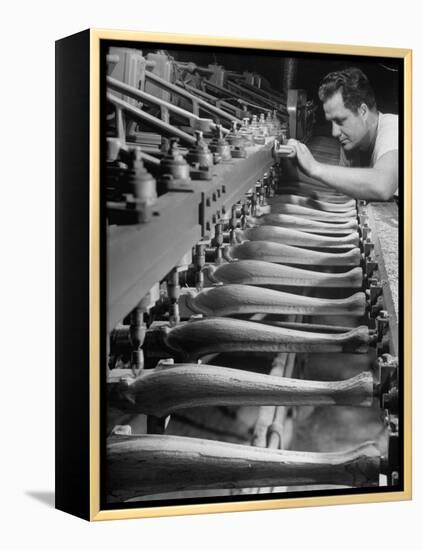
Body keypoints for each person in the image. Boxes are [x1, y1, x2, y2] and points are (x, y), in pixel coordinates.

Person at [283, 67, 398, 201]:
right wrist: (294, 173)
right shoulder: (354, 143)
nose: (334, 132)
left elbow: (382, 186)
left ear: (363, 111)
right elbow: (340, 186)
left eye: (340, 121)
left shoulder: (394, 127)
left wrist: (314, 167)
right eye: (331, 122)